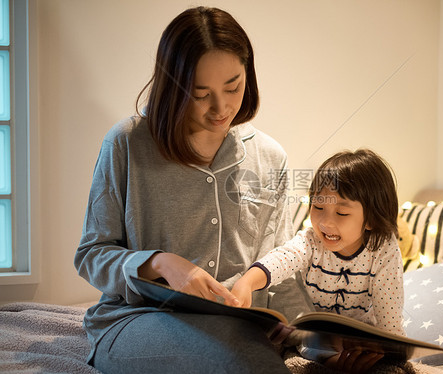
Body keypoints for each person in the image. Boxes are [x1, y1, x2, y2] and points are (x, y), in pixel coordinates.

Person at [74, 6, 312, 374]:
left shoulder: (270, 157)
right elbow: (91, 254)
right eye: (201, 94)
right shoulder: (126, 144)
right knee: (239, 361)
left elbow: (281, 268)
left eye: (233, 86)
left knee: (248, 355)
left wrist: (315, 343)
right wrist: (160, 263)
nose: (222, 107)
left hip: (242, 328)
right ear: (173, 86)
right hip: (137, 318)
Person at [232, 149, 406, 372]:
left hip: (361, 334)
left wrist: (394, 351)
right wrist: (247, 282)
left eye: (341, 213)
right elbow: (283, 258)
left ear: (371, 219)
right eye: (318, 207)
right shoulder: (310, 241)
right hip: (317, 333)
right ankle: (331, 362)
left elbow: (389, 313)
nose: (325, 222)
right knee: (306, 338)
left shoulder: (383, 249)